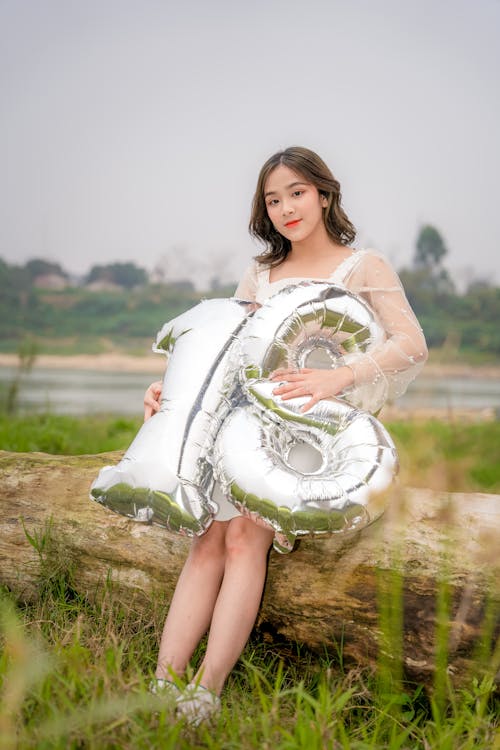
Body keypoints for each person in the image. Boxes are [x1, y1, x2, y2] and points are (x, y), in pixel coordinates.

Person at [145, 146, 428, 724]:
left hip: (318, 427)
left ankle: (206, 691)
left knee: (247, 535)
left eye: (297, 193)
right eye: (273, 200)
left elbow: (410, 344)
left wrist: (338, 377)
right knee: (207, 540)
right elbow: (227, 349)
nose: (285, 208)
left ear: (324, 194)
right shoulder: (261, 273)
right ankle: (160, 685)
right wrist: (166, 387)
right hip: (246, 420)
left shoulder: (364, 266)